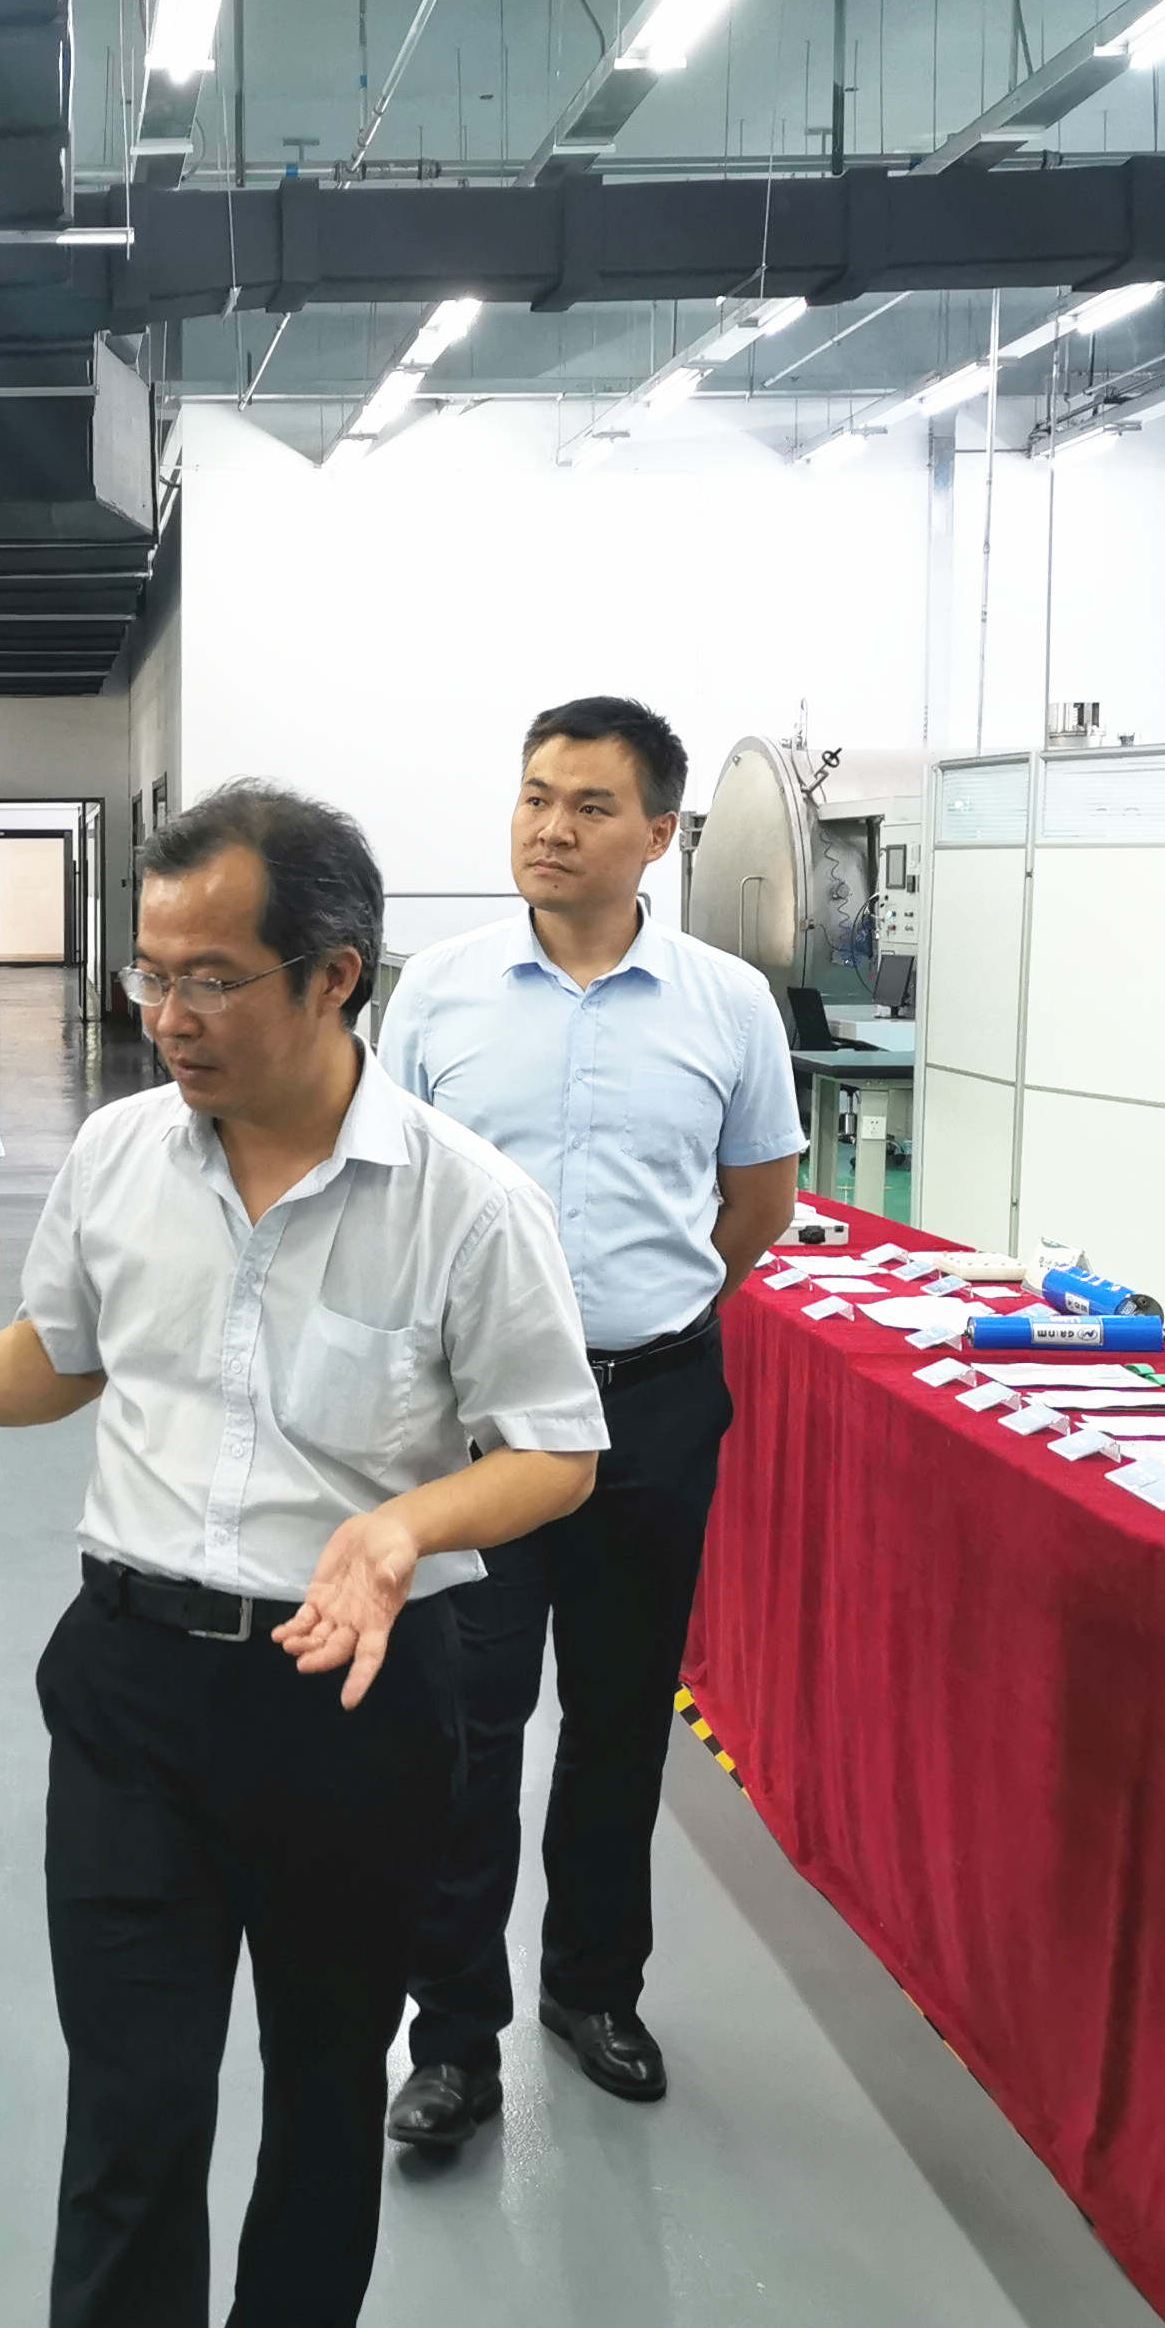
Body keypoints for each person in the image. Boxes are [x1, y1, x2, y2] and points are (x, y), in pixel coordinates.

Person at [0, 782, 604, 2328]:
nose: (171, 1015)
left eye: (212, 978)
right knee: (131, 2109)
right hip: (131, 1687)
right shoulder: (121, 1155)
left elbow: (557, 1450)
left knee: (326, 2094)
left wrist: (406, 1525)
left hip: (351, 1704)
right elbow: (60, 1354)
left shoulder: (465, 1202)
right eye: (154, 973)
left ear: (335, 977)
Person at [375, 695, 802, 2140]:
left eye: (590, 806)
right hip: (481, 1420)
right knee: (466, 1726)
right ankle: (453, 2037)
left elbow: (756, 1205)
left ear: (660, 833)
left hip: (654, 1407)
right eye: (535, 797)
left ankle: (593, 1989)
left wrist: (644, 1315)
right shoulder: (437, 991)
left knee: (621, 1719)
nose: (550, 828)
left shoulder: (727, 1004)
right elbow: (390, 1191)